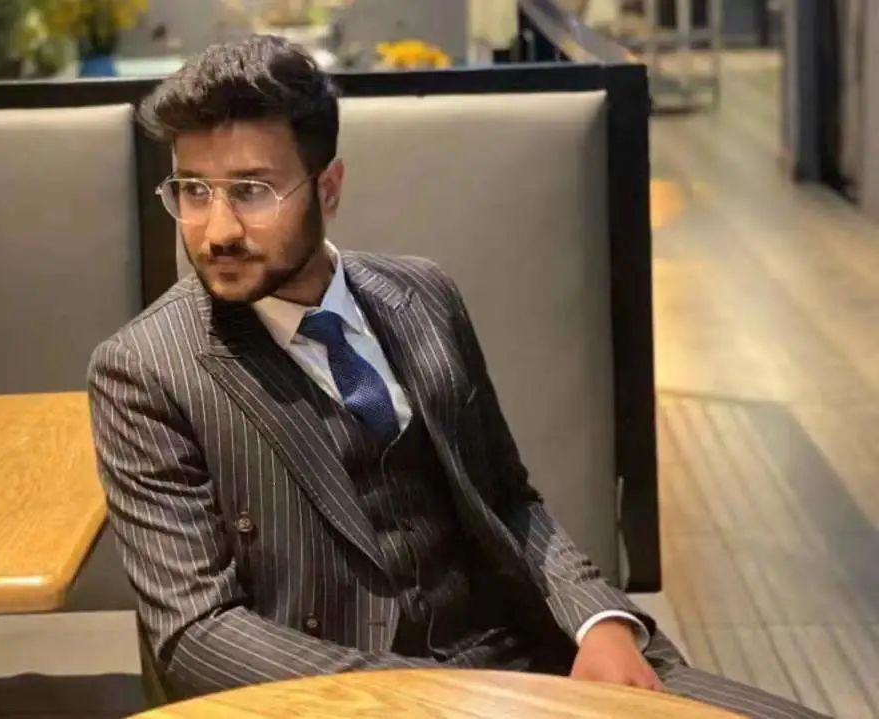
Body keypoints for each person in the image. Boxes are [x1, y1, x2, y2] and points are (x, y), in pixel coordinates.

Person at [87, 34, 823, 718]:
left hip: (532, 661)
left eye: (252, 190)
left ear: (328, 187)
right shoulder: (145, 371)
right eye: (193, 190)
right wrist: (434, 696)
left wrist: (598, 618)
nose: (216, 230)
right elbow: (199, 632)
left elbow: (509, 499)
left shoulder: (423, 296)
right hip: (346, 703)